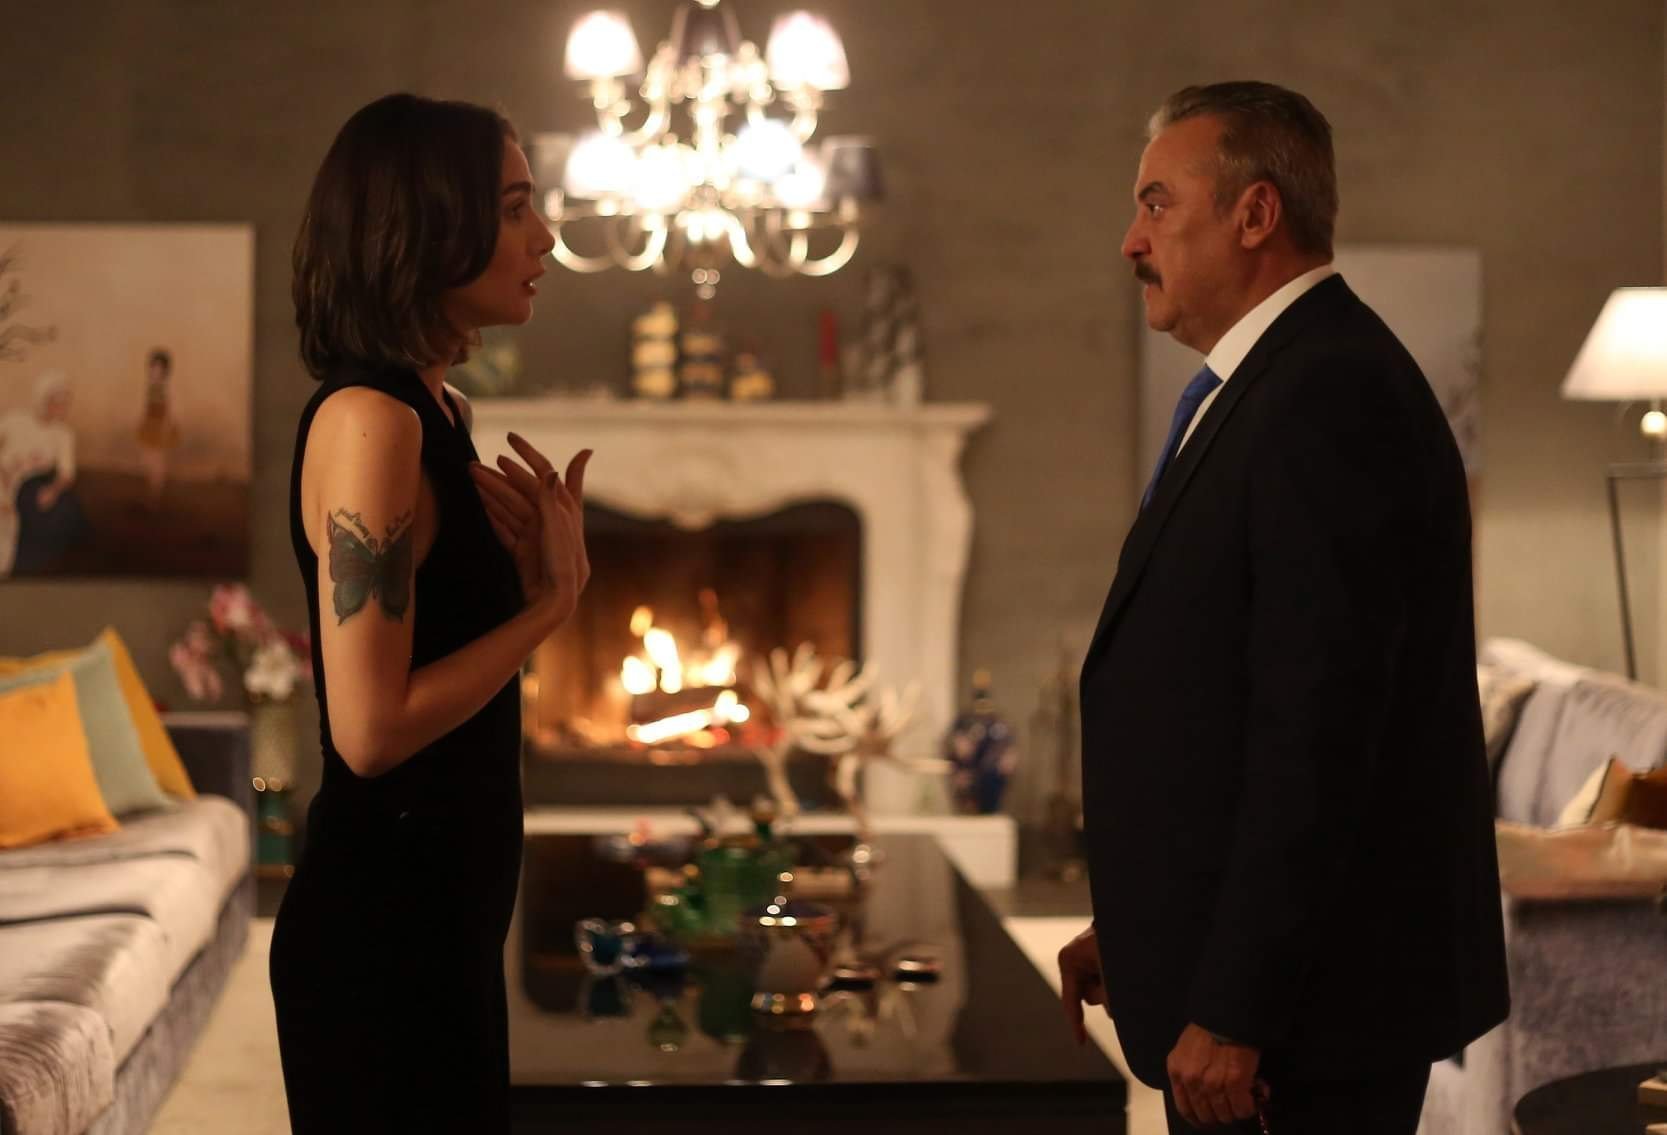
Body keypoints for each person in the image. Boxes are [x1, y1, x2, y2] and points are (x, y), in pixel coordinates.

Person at [1058, 82, 1509, 1134]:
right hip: (1263, 999)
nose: (1131, 240)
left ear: (1254, 214)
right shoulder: (1276, 382)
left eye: (1157, 204)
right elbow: (1217, 700)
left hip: (1299, 1025)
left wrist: (1234, 1003)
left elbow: (1318, 736)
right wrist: (1146, 931)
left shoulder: (1329, 394)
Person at [270, 92, 583, 1133]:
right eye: (514, 209)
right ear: (425, 226)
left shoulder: (441, 413)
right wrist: (551, 607)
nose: (545, 237)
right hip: (379, 941)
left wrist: (523, 584)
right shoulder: (373, 423)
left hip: (442, 922)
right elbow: (370, 732)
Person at [0, 370, 91, 576]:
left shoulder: (64, 434)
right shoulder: (15, 420)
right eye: (59, 402)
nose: (64, 408)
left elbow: (67, 473)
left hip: (26, 488)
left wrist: (52, 491)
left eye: (66, 403)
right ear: (44, 400)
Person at [135, 347, 181, 507]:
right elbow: (146, 406)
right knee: (147, 458)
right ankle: (153, 489)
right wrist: (142, 419)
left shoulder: (165, 387)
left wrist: (166, 426)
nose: (155, 371)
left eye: (159, 369)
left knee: (158, 460)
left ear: (165, 371)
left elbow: (169, 409)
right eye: (153, 367)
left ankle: (156, 495)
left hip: (160, 426)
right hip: (149, 424)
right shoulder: (150, 386)